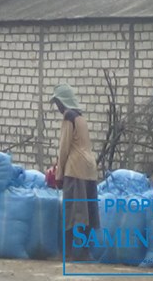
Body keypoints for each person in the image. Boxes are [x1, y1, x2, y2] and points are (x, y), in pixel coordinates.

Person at [49, 84, 99, 261]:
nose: (58, 107)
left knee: (70, 211)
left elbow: (64, 147)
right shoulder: (81, 118)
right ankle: (85, 253)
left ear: (63, 101)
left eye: (57, 102)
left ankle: (67, 253)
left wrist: (59, 173)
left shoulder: (68, 116)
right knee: (87, 212)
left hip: (75, 168)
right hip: (90, 169)